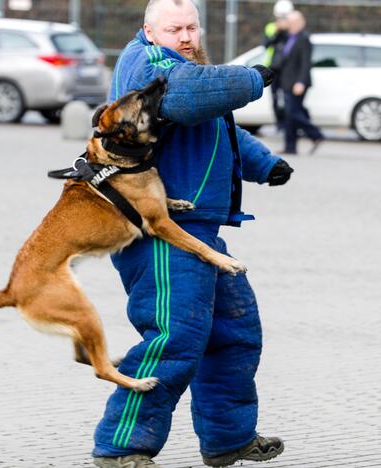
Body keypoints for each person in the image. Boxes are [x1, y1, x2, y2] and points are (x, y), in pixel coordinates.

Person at [92, 1, 293, 467]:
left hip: (197, 231)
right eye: (173, 28)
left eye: (190, 27)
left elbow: (216, 128)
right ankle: (121, 447)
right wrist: (249, 79)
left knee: (234, 332)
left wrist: (265, 164)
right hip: (160, 233)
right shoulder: (148, 63)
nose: (184, 36)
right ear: (149, 29)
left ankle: (229, 438)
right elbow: (186, 98)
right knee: (173, 336)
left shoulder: (184, 64)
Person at [278, 10, 324, 155]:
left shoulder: (304, 38)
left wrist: (301, 82)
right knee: (290, 114)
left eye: (291, 23)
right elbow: (270, 43)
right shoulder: (287, 37)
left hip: (297, 83)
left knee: (293, 113)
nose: (289, 25)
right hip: (286, 82)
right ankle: (290, 147)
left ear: (299, 23)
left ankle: (316, 134)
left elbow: (305, 63)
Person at [263, 0, 294, 130]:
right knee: (275, 98)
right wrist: (277, 32)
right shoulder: (271, 27)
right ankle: (279, 123)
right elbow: (266, 44)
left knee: (288, 98)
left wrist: (285, 31)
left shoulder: (292, 28)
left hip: (287, 69)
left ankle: (289, 124)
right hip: (272, 67)